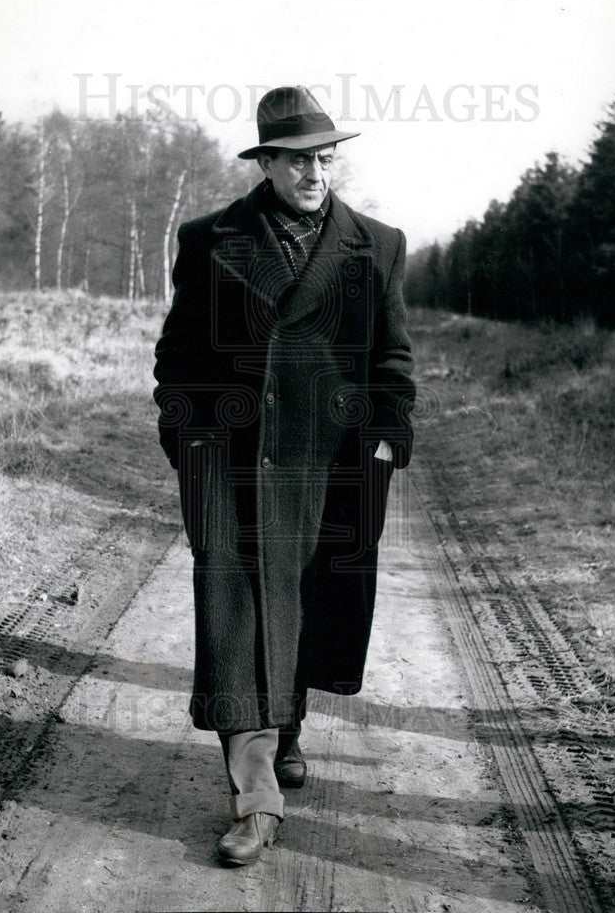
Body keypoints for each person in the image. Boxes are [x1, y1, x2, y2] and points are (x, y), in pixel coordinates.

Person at [153, 85, 416, 866]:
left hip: (331, 466)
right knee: (236, 612)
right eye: (299, 160)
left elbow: (392, 364)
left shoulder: (379, 245)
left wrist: (384, 443)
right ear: (265, 162)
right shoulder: (208, 240)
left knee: (304, 602)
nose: (315, 173)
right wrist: (187, 438)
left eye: (326, 158)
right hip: (233, 464)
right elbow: (177, 356)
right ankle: (254, 798)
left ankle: (289, 725)